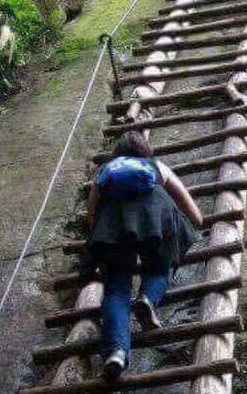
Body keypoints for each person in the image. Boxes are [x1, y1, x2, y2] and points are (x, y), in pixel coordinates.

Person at [84, 131, 204, 380]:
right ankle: (148, 298)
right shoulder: (156, 166)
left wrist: (98, 249)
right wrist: (190, 227)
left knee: (116, 289)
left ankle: (116, 352)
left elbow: (92, 215)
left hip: (112, 225)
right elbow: (193, 212)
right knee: (159, 269)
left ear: (117, 154)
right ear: (145, 151)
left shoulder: (105, 172)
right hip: (155, 219)